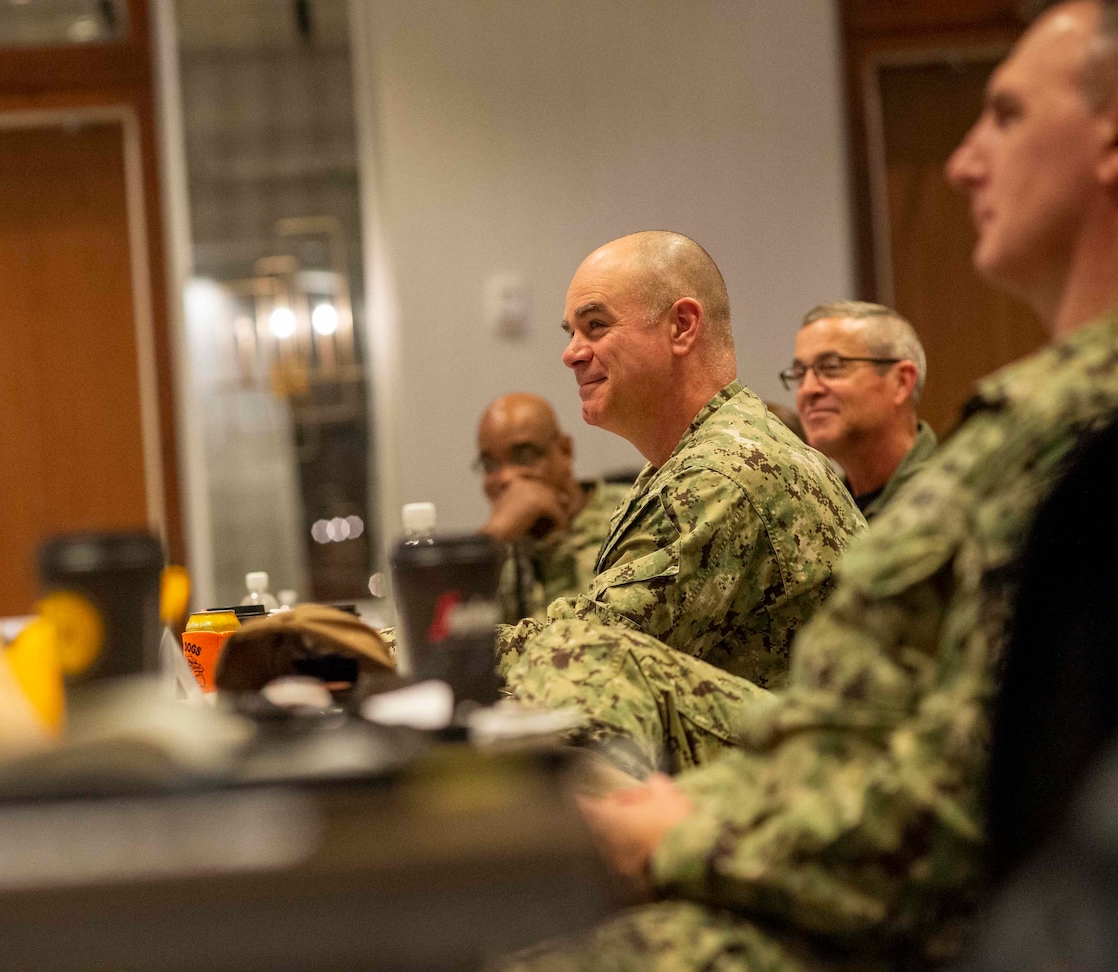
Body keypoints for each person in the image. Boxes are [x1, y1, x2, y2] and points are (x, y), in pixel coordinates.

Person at [493, 1, 1118, 968]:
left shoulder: (1079, 435)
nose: (962, 162)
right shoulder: (1047, 410)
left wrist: (675, 831)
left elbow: (953, 793)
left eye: (1006, 115)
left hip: (893, 895)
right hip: (815, 807)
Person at [497, 232, 864, 771]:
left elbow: (583, 659)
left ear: (682, 327)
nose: (571, 353)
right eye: (571, 332)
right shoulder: (702, 453)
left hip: (809, 807)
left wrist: (392, 650)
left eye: (596, 326)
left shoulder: (721, 476)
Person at [475, 393, 634, 620]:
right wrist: (494, 537)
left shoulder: (630, 517)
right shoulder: (503, 546)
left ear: (564, 451)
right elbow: (440, 631)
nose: (506, 477)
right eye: (490, 464)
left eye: (524, 456)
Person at [785, 301, 938, 519]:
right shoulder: (818, 510)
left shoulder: (954, 494)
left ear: (901, 382)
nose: (808, 389)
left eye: (831, 367)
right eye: (800, 373)